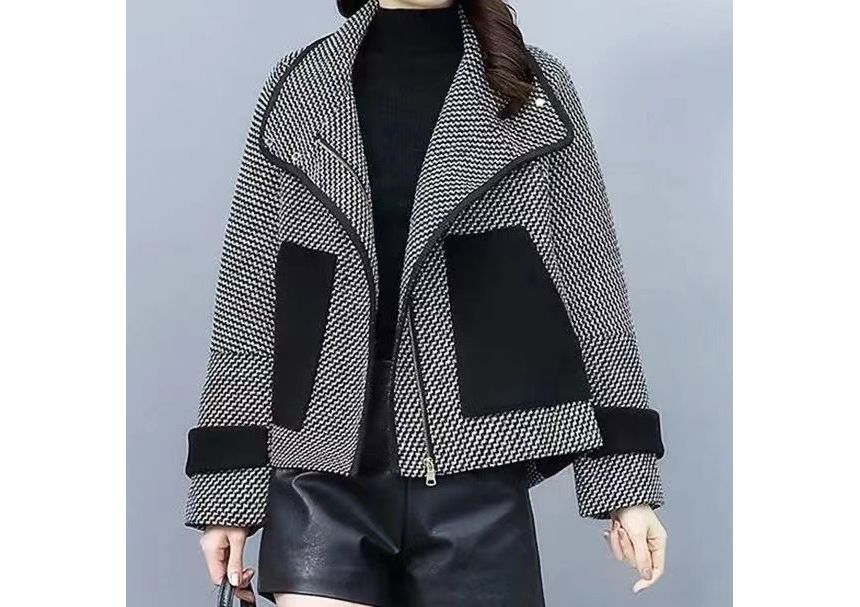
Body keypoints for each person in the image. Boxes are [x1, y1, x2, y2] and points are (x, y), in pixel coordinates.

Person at [185, 1, 668, 605]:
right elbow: (251, 294)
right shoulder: (300, 84)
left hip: (478, 466)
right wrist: (226, 491)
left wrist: (627, 484)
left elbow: (591, 287)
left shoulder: (531, 84)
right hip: (322, 466)